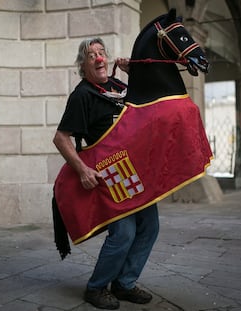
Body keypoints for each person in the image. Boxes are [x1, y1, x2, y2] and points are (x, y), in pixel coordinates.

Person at [53, 37, 160, 310]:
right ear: (84, 65)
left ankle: (124, 284)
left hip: (138, 169)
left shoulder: (119, 86)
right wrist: (83, 170)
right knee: (123, 233)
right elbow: (61, 138)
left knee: (150, 227)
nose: (99, 58)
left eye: (102, 53)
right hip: (114, 172)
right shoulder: (82, 95)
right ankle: (97, 287)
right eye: (92, 56)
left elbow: (148, 105)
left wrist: (132, 73)